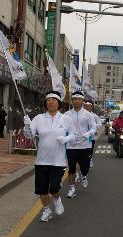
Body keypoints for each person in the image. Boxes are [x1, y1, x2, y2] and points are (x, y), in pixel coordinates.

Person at [23, 91, 76, 222]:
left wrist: (66, 138)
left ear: (59, 104)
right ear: (45, 103)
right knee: (42, 190)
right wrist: (27, 125)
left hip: (58, 161)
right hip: (41, 161)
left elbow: (74, 136)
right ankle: (47, 210)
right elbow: (29, 136)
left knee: (54, 188)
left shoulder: (65, 119)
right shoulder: (39, 118)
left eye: (54, 100)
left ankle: (57, 199)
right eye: (48, 100)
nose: (51, 102)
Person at [64, 92, 96, 198]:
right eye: (75, 99)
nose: (77, 101)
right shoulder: (66, 114)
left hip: (85, 145)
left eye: (79, 99)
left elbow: (93, 128)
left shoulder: (88, 115)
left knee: (85, 168)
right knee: (71, 168)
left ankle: (84, 175)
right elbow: (62, 128)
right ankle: (72, 188)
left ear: (82, 101)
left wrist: (88, 134)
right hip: (71, 145)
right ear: (72, 101)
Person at [84, 100, 102, 168]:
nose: (87, 107)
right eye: (86, 106)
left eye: (89, 106)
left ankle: (90, 159)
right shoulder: (81, 114)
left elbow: (99, 124)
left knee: (90, 149)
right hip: (83, 136)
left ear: (91, 107)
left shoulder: (95, 116)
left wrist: (93, 126)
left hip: (91, 137)